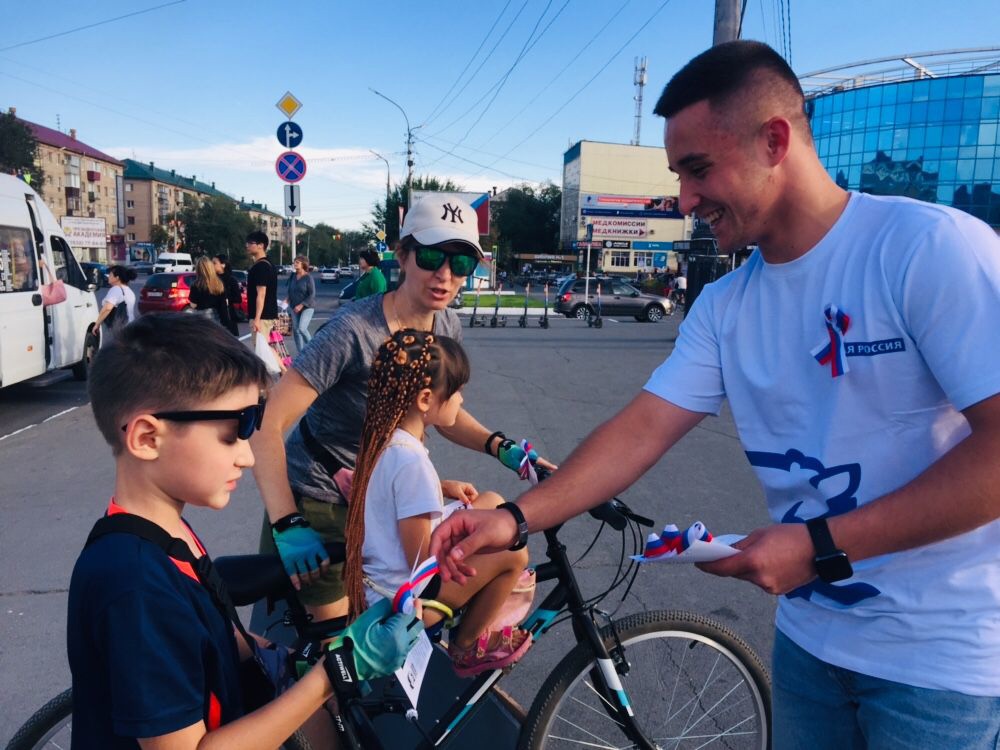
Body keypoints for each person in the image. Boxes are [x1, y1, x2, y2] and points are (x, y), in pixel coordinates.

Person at [431, 40, 1000, 750]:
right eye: (678, 176)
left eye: (698, 169)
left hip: (939, 666)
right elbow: (641, 429)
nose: (686, 200)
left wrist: (819, 546)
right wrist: (513, 518)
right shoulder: (727, 304)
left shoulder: (927, 249)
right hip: (810, 647)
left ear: (775, 141)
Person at [69, 313, 422, 749]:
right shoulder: (136, 585)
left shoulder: (165, 531)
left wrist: (292, 660)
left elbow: (218, 634)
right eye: (232, 432)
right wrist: (336, 673)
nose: (248, 457)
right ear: (146, 438)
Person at [251, 196, 551, 623]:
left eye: (461, 263)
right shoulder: (353, 331)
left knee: (411, 606)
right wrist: (287, 521)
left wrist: (501, 447)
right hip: (321, 499)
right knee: (340, 646)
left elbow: (440, 410)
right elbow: (265, 425)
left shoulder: (445, 324)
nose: (444, 275)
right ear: (403, 255)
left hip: (381, 493)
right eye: (430, 257)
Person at [343, 330, 531, 676]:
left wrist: (441, 489)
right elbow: (421, 563)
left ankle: (480, 601)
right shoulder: (412, 463)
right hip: (406, 600)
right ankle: (467, 644)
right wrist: (475, 545)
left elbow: (392, 496)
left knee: (492, 501)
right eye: (456, 391)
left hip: (380, 578)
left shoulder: (385, 439)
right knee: (514, 551)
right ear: (426, 399)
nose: (460, 400)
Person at [245, 231, 279, 353]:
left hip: (262, 317)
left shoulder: (261, 267)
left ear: (261, 245)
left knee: (261, 351)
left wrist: (257, 319)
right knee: (268, 350)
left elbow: (261, 293)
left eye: (250, 243)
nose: (247, 246)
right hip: (268, 315)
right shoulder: (268, 264)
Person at [93, 265, 137, 347]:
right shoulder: (129, 291)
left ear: (117, 278)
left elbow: (107, 308)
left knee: (114, 351)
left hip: (118, 329)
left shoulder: (116, 289)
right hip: (130, 327)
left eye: (110, 275)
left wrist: (97, 323)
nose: (108, 277)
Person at [189, 256, 232, 328]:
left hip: (201, 320)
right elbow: (223, 306)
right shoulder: (219, 284)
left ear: (198, 269)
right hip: (216, 320)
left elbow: (193, 305)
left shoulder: (196, 285)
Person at [285, 255, 316, 351]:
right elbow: (291, 290)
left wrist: (302, 305)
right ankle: (301, 352)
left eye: (297, 262)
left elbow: (312, 294)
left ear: (303, 264)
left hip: (307, 307)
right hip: (294, 307)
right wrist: (287, 299)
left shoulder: (308, 277)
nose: (295, 264)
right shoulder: (293, 276)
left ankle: (313, 349)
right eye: (294, 262)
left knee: (302, 328)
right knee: (296, 330)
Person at [213, 253, 242, 337]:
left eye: (215, 263)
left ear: (223, 265)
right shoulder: (212, 279)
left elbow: (238, 298)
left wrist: (224, 297)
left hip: (227, 314)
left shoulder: (231, 280)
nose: (212, 265)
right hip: (214, 314)